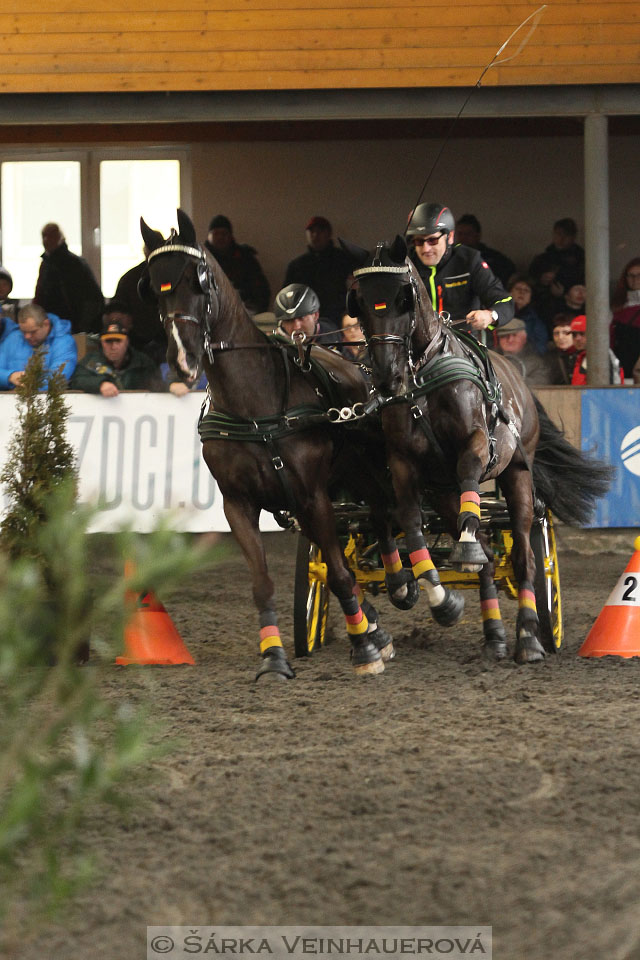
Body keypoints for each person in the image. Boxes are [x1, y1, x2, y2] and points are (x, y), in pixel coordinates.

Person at [406, 202, 514, 334]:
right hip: (416, 345)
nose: (426, 248)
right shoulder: (404, 264)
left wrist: (490, 316)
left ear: (450, 237)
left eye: (432, 240)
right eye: (419, 241)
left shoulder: (469, 260)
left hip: (462, 344)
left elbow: (505, 301)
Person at [283, 216, 357, 329]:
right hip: (307, 323)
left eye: (320, 231)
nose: (315, 235)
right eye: (311, 231)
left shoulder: (344, 260)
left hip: (340, 321)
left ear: (328, 233)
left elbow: (356, 290)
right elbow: (287, 299)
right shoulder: (297, 266)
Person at [34, 223, 104, 334]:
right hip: (51, 326)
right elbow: (40, 296)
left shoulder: (74, 264)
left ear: (60, 238)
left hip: (71, 327)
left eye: (52, 236)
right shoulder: (46, 264)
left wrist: (81, 327)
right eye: (44, 236)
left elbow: (91, 299)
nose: (47, 240)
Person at [70, 318, 165, 396]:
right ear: (102, 343)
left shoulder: (143, 362)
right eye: (108, 341)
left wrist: (172, 384)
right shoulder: (90, 361)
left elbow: (159, 384)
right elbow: (76, 381)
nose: (113, 346)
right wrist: (100, 384)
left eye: (118, 341)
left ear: (127, 342)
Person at [0, 302, 77, 391]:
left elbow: (57, 378)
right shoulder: (13, 337)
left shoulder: (64, 343)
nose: (27, 336)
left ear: (46, 324)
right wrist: (9, 376)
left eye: (33, 332)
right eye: (23, 331)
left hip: (46, 401)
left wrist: (27, 384)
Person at [204, 215, 270, 314]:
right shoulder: (201, 258)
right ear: (209, 236)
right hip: (209, 313)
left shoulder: (245, 258)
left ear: (230, 236)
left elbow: (261, 290)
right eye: (216, 233)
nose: (220, 237)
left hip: (243, 312)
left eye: (224, 233)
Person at [113, 253, 167, 364]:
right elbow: (117, 312)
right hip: (140, 342)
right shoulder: (168, 278)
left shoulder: (129, 278)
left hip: (139, 342)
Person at [454, 214, 516, 287]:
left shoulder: (494, 259)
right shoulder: (450, 256)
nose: (463, 238)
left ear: (477, 235)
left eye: (468, 234)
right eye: (460, 234)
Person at [528, 217, 585, 296]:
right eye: (558, 234)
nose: (562, 238)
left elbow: (585, 283)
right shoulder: (543, 258)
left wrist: (566, 292)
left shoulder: (581, 259)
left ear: (573, 237)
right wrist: (541, 280)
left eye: (566, 235)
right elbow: (529, 281)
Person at [493, 316, 553, 385]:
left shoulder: (537, 363)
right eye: (504, 336)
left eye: (514, 335)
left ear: (524, 337)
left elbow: (542, 384)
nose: (510, 340)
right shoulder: (490, 359)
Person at [569, 314, 622, 386]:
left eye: (582, 334)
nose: (577, 339)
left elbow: (609, 390)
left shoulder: (602, 356)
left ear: (593, 334)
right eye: (574, 335)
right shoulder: (576, 356)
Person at [610, 257, 640, 380]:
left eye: (639, 275)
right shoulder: (617, 306)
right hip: (620, 369)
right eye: (631, 275)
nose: (635, 279)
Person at [507, 276, 548, 354]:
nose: (522, 292)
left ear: (531, 297)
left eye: (526, 290)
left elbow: (541, 347)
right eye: (518, 289)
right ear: (510, 292)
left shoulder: (536, 321)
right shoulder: (499, 314)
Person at [546, 313, 576, 384]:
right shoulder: (548, 358)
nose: (560, 337)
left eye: (566, 333)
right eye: (556, 333)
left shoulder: (584, 356)